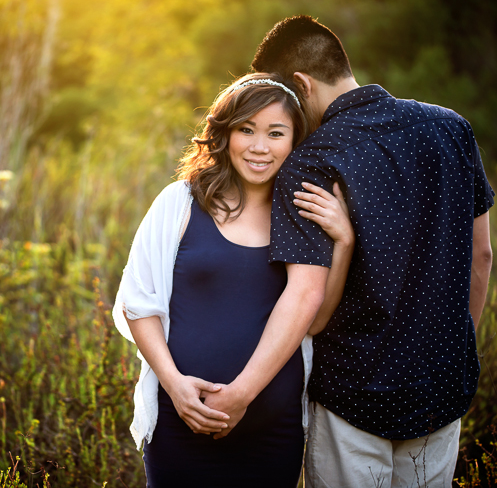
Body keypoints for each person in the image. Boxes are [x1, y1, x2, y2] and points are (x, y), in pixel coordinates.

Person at [230, 15, 493, 487]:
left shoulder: (311, 162)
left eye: (283, 102)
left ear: (300, 85)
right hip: (442, 391)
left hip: (351, 398)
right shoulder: (452, 128)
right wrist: (447, 356)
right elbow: (483, 257)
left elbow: (307, 307)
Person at [112, 72, 355, 487]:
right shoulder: (180, 202)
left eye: (276, 133)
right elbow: (138, 302)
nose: (260, 147)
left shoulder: (302, 213)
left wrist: (344, 242)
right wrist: (175, 387)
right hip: (179, 420)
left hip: (271, 431)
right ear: (225, 134)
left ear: (295, 141)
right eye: (247, 130)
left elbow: (314, 319)